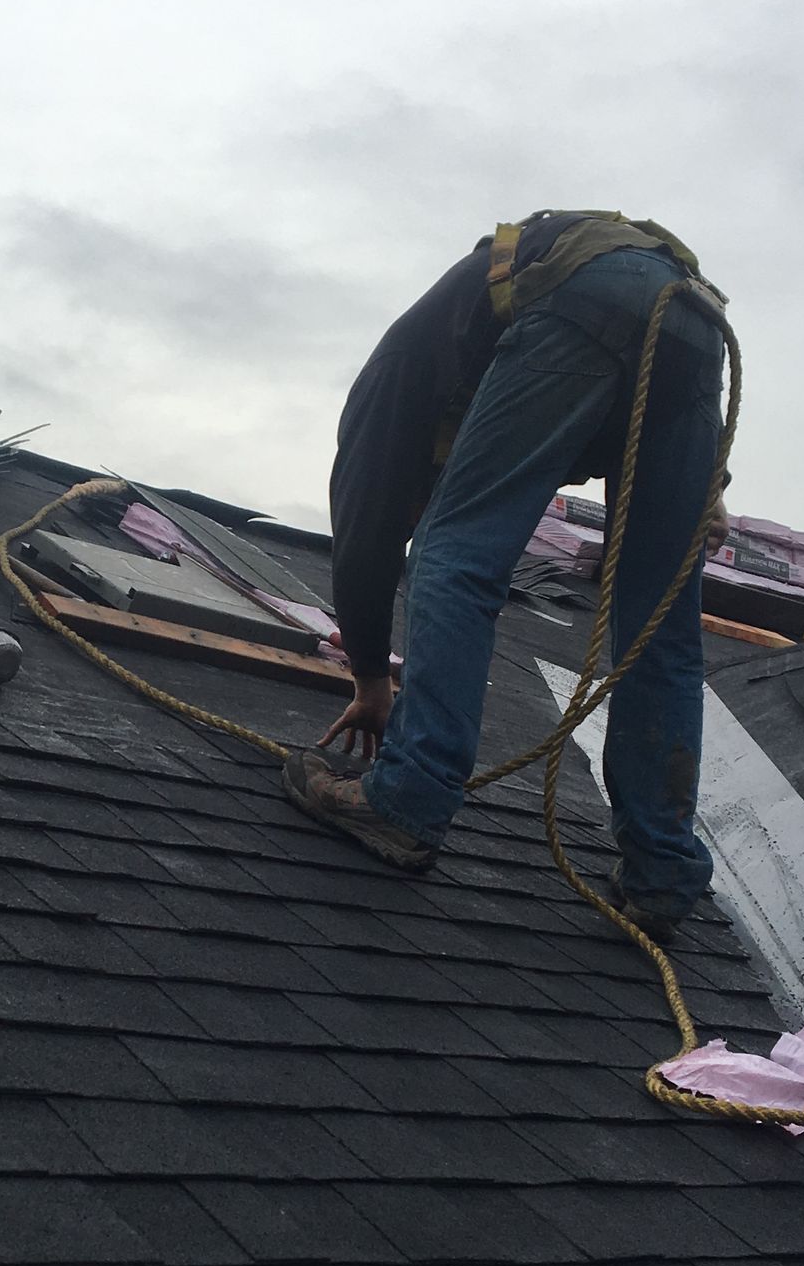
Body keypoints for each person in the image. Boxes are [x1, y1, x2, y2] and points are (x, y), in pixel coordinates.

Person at [281, 211, 729, 940]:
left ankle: (408, 799)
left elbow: (364, 533)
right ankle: (662, 871)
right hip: (691, 322)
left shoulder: (396, 377)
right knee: (660, 618)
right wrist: (705, 488)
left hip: (595, 290)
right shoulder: (468, 356)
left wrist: (370, 679)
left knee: (452, 552)